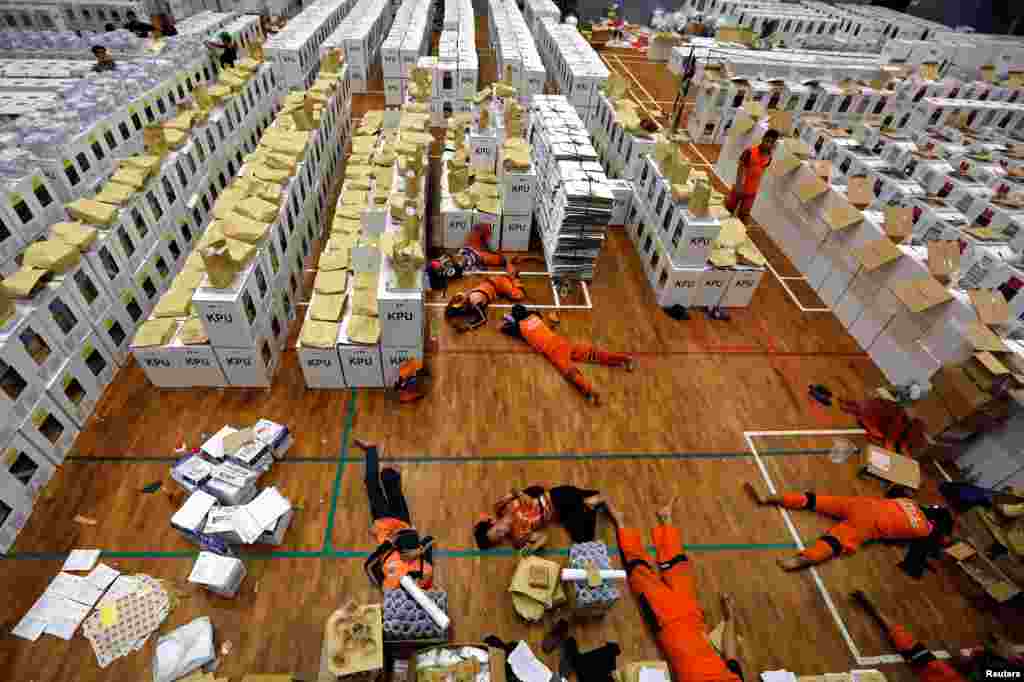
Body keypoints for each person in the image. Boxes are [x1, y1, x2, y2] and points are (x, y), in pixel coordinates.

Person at [604, 498, 744, 681]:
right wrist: (730, 617)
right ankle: (666, 520)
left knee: (639, 571)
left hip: (666, 622)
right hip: (693, 618)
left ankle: (621, 523)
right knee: (678, 565)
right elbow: (731, 658)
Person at [744, 482, 954, 573]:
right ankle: (797, 561)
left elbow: (895, 492)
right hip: (869, 524)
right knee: (834, 542)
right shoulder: (925, 531)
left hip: (862, 504)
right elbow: (933, 547)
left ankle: (769, 498)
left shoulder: (910, 503)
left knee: (814, 500)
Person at [502, 304, 635, 405]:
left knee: (571, 373)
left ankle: (591, 392)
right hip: (563, 342)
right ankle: (624, 359)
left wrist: (509, 319)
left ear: (516, 318)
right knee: (594, 353)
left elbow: (504, 328)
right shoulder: (535, 315)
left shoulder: (519, 327)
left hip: (553, 351)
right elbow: (534, 313)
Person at [355, 439, 434, 590]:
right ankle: (385, 452)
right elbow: (430, 540)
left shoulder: (390, 585)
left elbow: (369, 567)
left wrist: (388, 543)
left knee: (372, 484)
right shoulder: (425, 572)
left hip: (384, 524)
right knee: (390, 478)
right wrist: (417, 552)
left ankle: (371, 450)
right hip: (403, 522)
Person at [851, 590, 964, 682]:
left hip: (927, 669)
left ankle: (869, 604)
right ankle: (868, 604)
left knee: (897, 635)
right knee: (898, 634)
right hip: (928, 665)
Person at [473, 486, 604, 550]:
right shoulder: (518, 538)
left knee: (583, 536)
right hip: (562, 512)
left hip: (556, 496)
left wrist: (521, 493)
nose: (502, 533)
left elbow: (513, 490)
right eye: (499, 538)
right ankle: (590, 501)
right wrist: (532, 548)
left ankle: (591, 502)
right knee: (583, 538)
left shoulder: (500, 508)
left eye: (497, 531)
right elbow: (543, 538)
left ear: (493, 523)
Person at [727, 129, 780, 220]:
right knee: (728, 210)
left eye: (771, 142)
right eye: (767, 141)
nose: (768, 144)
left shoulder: (769, 157)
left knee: (743, 215)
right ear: (762, 139)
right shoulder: (749, 152)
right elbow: (740, 168)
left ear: (774, 144)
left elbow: (761, 172)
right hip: (740, 188)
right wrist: (739, 185)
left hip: (751, 192)